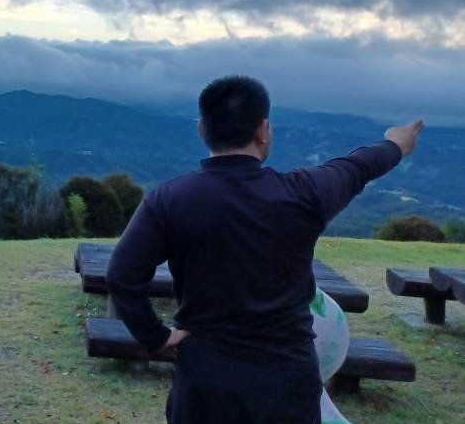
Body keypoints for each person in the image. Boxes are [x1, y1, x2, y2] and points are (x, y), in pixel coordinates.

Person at [106, 75, 423, 424]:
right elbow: (358, 166)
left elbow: (122, 276)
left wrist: (156, 337)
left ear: (201, 130)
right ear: (263, 130)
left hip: (205, 384)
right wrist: (396, 142)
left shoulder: (169, 199)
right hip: (288, 382)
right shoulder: (304, 193)